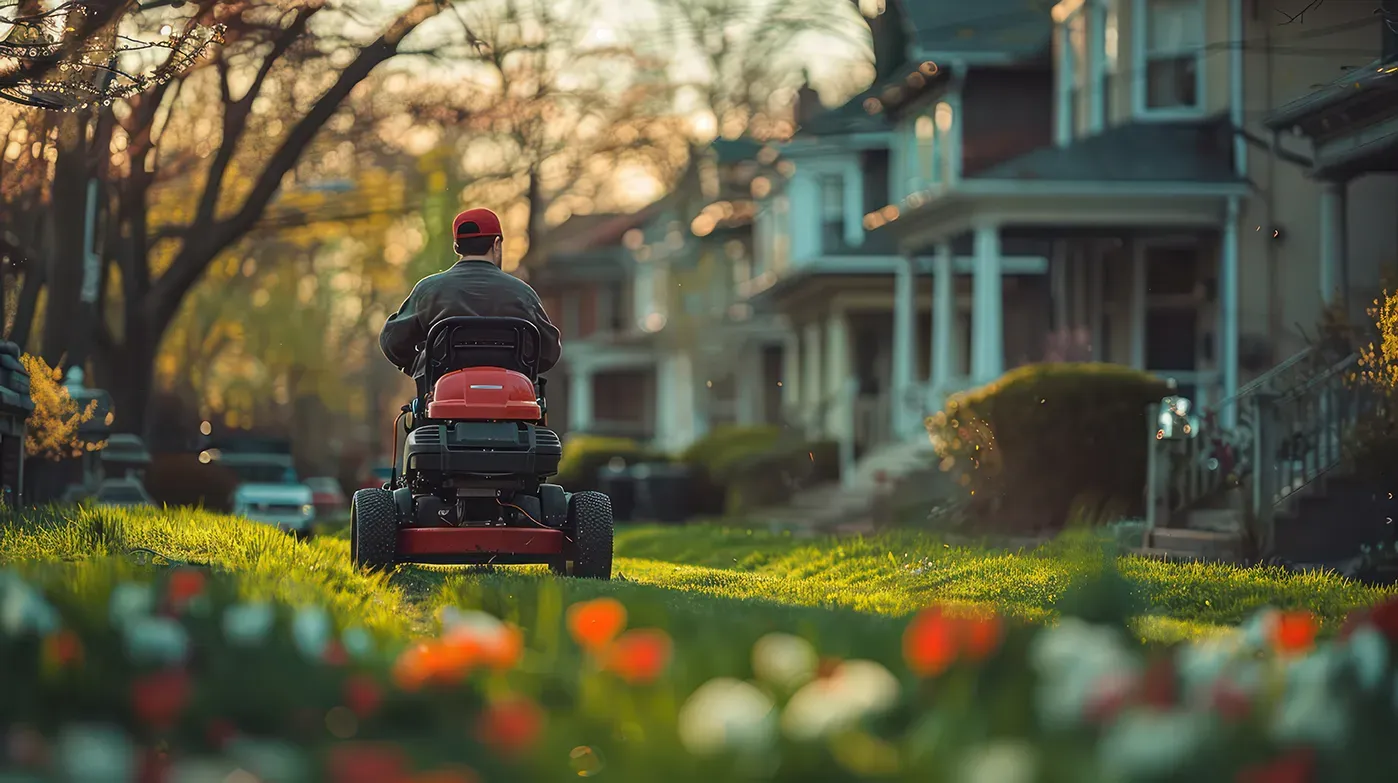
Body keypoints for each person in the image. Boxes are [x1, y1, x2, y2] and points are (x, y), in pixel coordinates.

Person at [379, 207, 563, 380]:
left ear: (457, 247)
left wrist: (421, 366)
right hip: (511, 394)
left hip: (445, 394)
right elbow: (549, 351)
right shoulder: (523, 293)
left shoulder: (429, 289)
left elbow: (393, 342)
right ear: (496, 244)